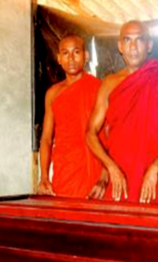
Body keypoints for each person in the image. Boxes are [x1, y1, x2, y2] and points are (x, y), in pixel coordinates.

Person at [85, 20, 158, 204]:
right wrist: (111, 168)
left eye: (139, 39)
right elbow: (90, 133)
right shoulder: (109, 84)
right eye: (127, 40)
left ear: (149, 45)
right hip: (121, 176)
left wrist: (155, 167)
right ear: (120, 46)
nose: (133, 46)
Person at [36, 35, 106, 198]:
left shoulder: (99, 88)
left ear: (86, 56)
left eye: (76, 52)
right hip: (65, 170)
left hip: (94, 169)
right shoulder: (53, 93)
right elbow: (46, 139)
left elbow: (110, 135)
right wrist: (44, 176)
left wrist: (105, 174)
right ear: (59, 59)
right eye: (65, 53)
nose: (71, 59)